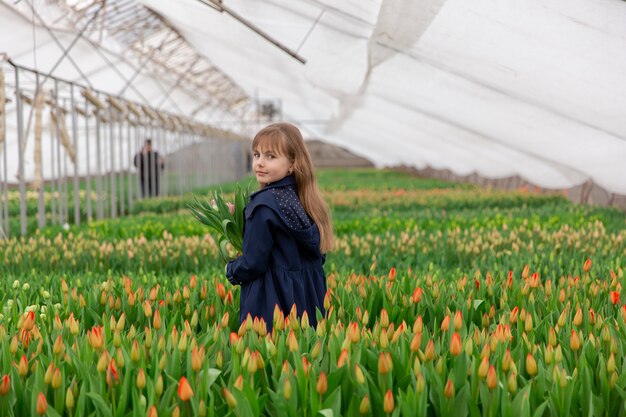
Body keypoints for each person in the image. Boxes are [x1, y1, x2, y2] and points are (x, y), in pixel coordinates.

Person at [226, 122, 334, 331]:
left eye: (270, 156)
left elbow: (253, 263)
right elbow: (285, 232)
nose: (260, 163)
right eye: (257, 155)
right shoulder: (302, 198)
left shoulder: (263, 205)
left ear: (292, 163)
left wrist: (231, 270)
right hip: (306, 298)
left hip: (271, 300)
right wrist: (242, 215)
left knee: (267, 358)